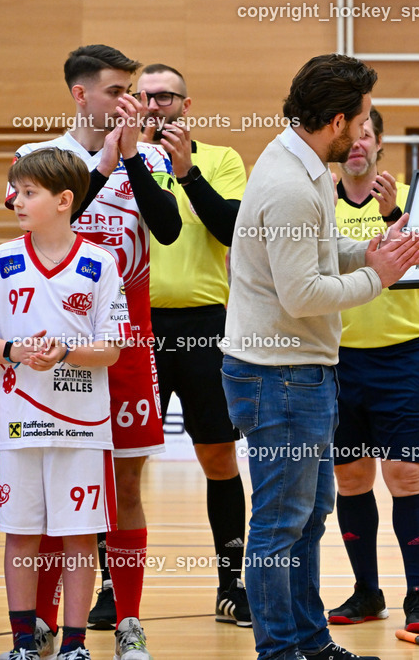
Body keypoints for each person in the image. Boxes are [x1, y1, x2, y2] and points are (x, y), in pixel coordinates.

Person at [220, 54, 419, 660]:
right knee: (280, 525)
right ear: (337, 121)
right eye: (362, 119)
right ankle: (281, 651)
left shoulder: (301, 160)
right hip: (279, 376)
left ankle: (310, 644)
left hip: (295, 372)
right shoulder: (292, 184)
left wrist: (368, 249)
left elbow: (318, 247)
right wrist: (379, 275)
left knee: (308, 516)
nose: (365, 131)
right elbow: (303, 294)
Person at [7, 44, 180, 660]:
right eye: (115, 90)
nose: (129, 101)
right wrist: (102, 167)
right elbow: (48, 226)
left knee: (127, 484)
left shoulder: (150, 156)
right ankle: (44, 620)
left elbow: (168, 230)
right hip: (53, 345)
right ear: (81, 94)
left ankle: (128, 619)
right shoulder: (36, 159)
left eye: (132, 90)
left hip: (124, 340)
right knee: (54, 485)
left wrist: (130, 158)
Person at [0, 148, 129, 660]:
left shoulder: (100, 263)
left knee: (79, 537)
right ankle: (23, 643)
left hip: (82, 427)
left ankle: (74, 644)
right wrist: (14, 351)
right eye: (16, 191)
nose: (16, 201)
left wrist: (65, 351)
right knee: (21, 535)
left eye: (29, 193)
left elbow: (111, 349)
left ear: (64, 200)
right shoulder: (0, 260)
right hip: (19, 424)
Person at [133, 63, 251, 626]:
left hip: (206, 326)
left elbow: (232, 229)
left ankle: (231, 586)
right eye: (145, 96)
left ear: (186, 104)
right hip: (135, 328)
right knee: (123, 465)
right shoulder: (118, 162)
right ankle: (112, 590)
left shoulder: (221, 160)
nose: (155, 106)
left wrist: (187, 174)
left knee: (219, 458)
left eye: (166, 97)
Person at [326, 107, 419, 633]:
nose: (358, 144)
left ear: (379, 147)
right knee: (351, 479)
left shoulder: (413, 204)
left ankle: (418, 596)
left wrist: (395, 214)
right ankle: (366, 592)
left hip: (402, 359)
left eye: (367, 135)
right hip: (338, 361)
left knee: (405, 476)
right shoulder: (318, 204)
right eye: (351, 135)